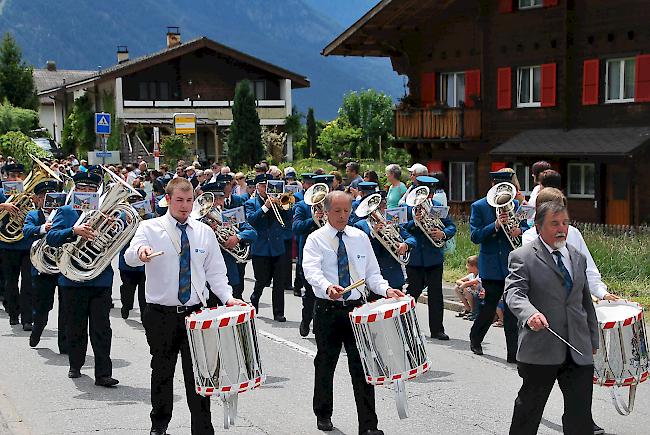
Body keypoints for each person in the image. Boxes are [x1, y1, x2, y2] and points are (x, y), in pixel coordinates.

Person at [124, 177, 244, 435]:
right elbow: (130, 255)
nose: (185, 206)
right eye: (179, 200)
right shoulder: (149, 227)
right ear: (167, 200)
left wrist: (228, 298)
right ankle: (159, 424)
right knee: (162, 370)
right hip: (160, 313)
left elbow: (215, 272)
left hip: (196, 314)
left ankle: (202, 428)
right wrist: (141, 252)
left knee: (199, 374)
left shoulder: (204, 232)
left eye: (189, 201)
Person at [302, 190, 404, 435]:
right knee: (326, 362)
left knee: (362, 367)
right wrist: (327, 286)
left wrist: (387, 290)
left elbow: (372, 274)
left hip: (357, 310)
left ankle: (369, 426)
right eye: (337, 211)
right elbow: (311, 271)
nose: (342, 216)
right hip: (328, 308)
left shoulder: (360, 237)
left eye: (346, 210)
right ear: (326, 212)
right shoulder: (316, 239)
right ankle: (323, 413)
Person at [505, 200, 598, 435]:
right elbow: (514, 293)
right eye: (554, 223)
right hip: (541, 345)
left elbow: (584, 300)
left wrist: (592, 339)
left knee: (580, 414)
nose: (562, 228)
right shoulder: (522, 256)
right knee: (529, 410)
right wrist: (530, 313)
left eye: (565, 223)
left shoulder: (577, 256)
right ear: (538, 227)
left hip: (577, 347)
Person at [46, 171, 119, 387]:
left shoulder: (107, 212)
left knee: (102, 328)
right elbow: (51, 237)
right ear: (75, 190)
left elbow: (118, 240)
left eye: (90, 189)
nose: (86, 192)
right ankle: (75, 364)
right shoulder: (66, 211)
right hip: (72, 279)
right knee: (75, 326)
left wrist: (113, 226)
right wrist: (74, 230)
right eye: (82, 189)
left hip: (100, 278)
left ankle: (103, 373)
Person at [469, 171, 530, 361]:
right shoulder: (479, 206)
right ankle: (475, 339)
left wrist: (520, 230)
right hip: (491, 265)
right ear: (493, 184)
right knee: (489, 308)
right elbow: (475, 236)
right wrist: (495, 225)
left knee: (512, 310)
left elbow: (530, 228)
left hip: (512, 265)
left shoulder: (518, 205)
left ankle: (513, 353)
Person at [404, 176, 456, 340]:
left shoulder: (438, 207)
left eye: (430, 193)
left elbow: (451, 226)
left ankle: (437, 330)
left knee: (436, 295)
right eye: (424, 193)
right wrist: (414, 222)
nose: (428, 197)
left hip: (433, 258)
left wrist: (443, 233)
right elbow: (401, 229)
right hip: (416, 259)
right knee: (412, 293)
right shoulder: (407, 208)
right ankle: (406, 328)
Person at [24, 180, 67, 352]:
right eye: (44, 198)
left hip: (63, 265)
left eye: (52, 197)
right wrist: (43, 227)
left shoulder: (64, 214)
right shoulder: (33, 215)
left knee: (66, 306)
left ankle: (64, 344)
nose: (48, 202)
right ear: (38, 199)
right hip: (42, 267)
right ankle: (37, 330)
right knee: (43, 305)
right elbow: (26, 231)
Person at [244, 173, 291, 322]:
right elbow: (251, 220)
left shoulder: (278, 201)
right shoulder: (251, 203)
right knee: (262, 279)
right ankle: (255, 296)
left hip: (277, 247)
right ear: (257, 187)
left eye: (267, 186)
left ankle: (278, 312)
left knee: (278, 281)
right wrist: (265, 207)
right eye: (263, 186)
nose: (266, 189)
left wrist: (283, 206)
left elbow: (288, 218)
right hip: (261, 247)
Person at [354, 191, 415, 295]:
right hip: (373, 278)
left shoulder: (391, 219)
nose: (382, 209)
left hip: (393, 275)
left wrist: (405, 245)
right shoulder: (360, 225)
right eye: (379, 207)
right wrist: (373, 234)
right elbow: (358, 248)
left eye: (383, 206)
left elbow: (410, 238)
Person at [0, 163, 35, 329]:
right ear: (6, 177)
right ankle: (14, 314)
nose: (15, 178)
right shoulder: (1, 193)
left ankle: (28, 318)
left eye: (18, 175)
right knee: (10, 281)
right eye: (12, 176)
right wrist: (3, 206)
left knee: (28, 282)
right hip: (6, 244)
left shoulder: (28, 193)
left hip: (26, 243)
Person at [118, 189, 152, 321]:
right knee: (128, 289)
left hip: (144, 263)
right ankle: (126, 306)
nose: (136, 204)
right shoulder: (122, 216)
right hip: (127, 262)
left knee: (144, 292)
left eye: (139, 201)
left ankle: (145, 317)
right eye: (133, 201)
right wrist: (127, 222)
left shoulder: (150, 218)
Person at [454, 255, 481, 320]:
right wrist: (464, 284)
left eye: (468, 266)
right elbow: (458, 281)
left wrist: (466, 285)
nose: (467, 267)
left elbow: (471, 283)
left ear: (474, 267)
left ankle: (473, 310)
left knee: (466, 290)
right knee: (456, 288)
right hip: (474, 293)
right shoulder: (471, 275)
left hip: (479, 294)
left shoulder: (480, 275)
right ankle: (467, 308)